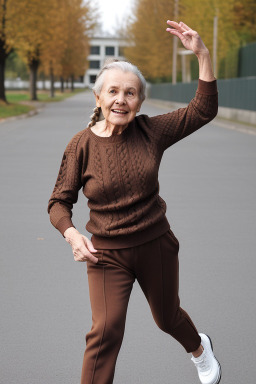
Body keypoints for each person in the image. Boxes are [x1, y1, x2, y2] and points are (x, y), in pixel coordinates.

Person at [48, 21, 221, 384]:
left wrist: (202, 55)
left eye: (130, 93)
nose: (120, 100)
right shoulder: (80, 145)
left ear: (139, 101)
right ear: (98, 97)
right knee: (105, 331)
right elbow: (59, 202)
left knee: (167, 317)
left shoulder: (151, 131)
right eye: (113, 91)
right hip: (106, 253)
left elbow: (202, 110)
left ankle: (199, 350)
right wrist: (71, 235)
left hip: (155, 243)